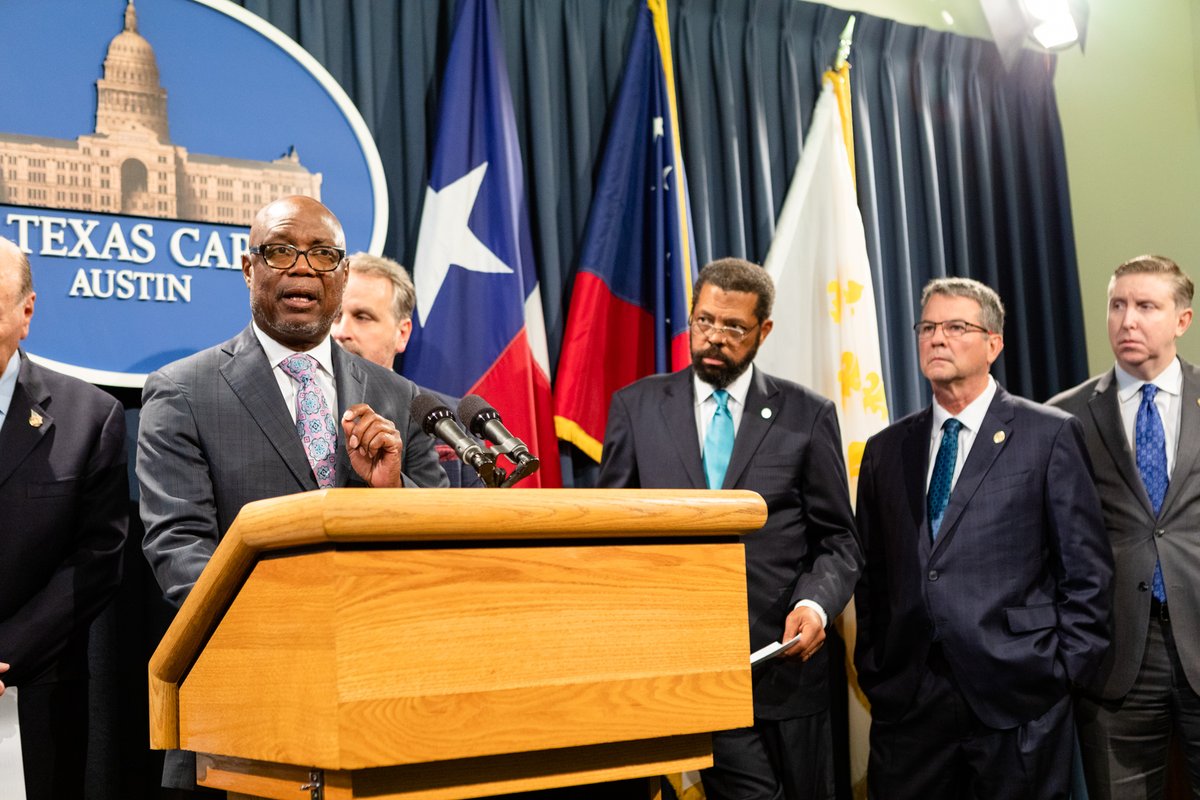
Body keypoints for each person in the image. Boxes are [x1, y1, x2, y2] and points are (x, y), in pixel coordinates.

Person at [138, 196, 447, 791]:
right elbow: (180, 551)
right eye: (281, 250)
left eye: (323, 254)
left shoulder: (398, 395)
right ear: (248, 268)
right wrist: (302, 637)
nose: (303, 267)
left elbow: (437, 541)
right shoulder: (183, 391)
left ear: (342, 274)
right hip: (244, 713)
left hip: (381, 707)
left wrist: (389, 490)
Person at [598, 257, 862, 800]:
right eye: (705, 321)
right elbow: (611, 535)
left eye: (734, 327)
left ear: (764, 330)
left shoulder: (806, 415)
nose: (715, 337)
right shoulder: (636, 407)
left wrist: (815, 606)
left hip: (782, 665)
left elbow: (839, 540)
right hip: (679, 667)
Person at [853, 276, 1112, 800]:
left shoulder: (1049, 434)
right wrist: (877, 671)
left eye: (955, 327)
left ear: (993, 344)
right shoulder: (885, 449)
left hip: (1018, 695)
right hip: (909, 701)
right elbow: (872, 575)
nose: (936, 338)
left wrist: (1062, 672)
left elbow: (1086, 571)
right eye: (927, 327)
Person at [1048, 255, 1200, 798]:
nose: (1127, 320)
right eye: (1117, 305)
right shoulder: (1063, 418)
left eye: (1146, 306)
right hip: (1113, 658)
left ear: (1182, 320)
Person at [0, 236, 128, 800]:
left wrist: (6, 654)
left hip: (37, 696)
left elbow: (96, 561)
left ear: (26, 312)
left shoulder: (89, 418)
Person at [332, 252, 483, 487]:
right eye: (335, 316)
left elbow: (478, 509)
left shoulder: (454, 422)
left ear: (402, 333)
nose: (341, 332)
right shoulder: (306, 409)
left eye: (362, 317)